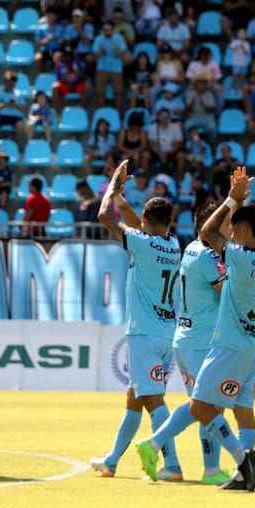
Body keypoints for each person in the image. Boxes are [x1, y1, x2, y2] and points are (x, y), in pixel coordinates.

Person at [136, 166, 255, 492]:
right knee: (226, 408)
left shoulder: (218, 254)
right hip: (231, 343)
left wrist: (235, 200)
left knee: (205, 406)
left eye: (234, 226)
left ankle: (234, 461)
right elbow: (254, 245)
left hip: (212, 341)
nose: (230, 231)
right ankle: (238, 467)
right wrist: (242, 202)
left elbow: (217, 238)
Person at [90, 160, 183, 480]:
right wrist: (122, 200)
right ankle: (112, 460)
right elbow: (135, 222)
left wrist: (112, 189)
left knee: (153, 401)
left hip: (143, 331)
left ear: (146, 221)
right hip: (165, 332)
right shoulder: (173, 244)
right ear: (169, 221)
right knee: (134, 397)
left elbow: (104, 218)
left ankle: (172, 465)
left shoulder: (142, 245)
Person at [168, 202, 233, 485]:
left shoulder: (192, 250)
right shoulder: (207, 256)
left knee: (208, 406)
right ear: (210, 227)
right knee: (204, 406)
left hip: (192, 338)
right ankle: (155, 443)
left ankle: (210, 469)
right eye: (224, 225)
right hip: (198, 341)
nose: (228, 231)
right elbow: (228, 292)